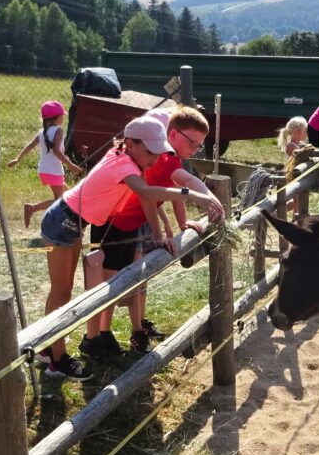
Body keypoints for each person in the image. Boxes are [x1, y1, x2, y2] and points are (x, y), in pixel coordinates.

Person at [36, 116, 220, 379]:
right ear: (131, 144)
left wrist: (159, 232)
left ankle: (48, 349)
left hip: (73, 222)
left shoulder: (129, 159)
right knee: (62, 292)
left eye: (158, 152)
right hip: (62, 222)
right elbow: (147, 192)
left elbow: (148, 198)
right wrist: (190, 194)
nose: (155, 158)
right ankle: (57, 359)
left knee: (61, 291)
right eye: (150, 152)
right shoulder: (124, 165)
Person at [82, 107, 226, 356]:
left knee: (121, 280)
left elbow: (176, 190)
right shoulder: (166, 159)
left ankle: (104, 333)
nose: (195, 149)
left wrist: (183, 223)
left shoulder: (170, 159)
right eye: (192, 142)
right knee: (109, 282)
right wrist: (212, 201)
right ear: (174, 135)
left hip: (129, 225)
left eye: (199, 145)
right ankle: (95, 337)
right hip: (113, 223)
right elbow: (185, 184)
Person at [7, 101, 82, 227]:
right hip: (54, 170)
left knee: (69, 195)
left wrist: (17, 159)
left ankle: (71, 217)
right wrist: (71, 165)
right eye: (62, 116)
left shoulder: (42, 132)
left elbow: (30, 146)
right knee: (60, 200)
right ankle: (32, 208)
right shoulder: (58, 130)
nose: (63, 118)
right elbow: (57, 151)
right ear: (58, 117)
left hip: (44, 170)